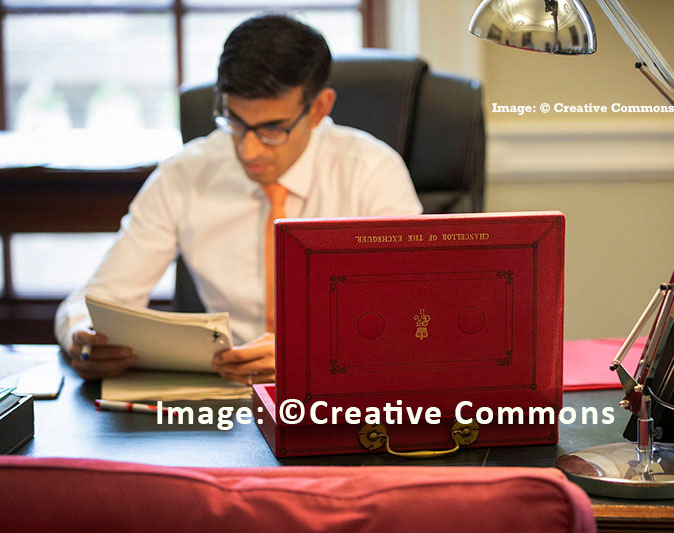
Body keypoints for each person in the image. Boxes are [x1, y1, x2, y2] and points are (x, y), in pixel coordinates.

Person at [55, 14, 422, 384]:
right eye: (235, 122)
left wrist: (310, 353)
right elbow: (95, 300)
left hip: (348, 386)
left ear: (319, 109)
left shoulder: (372, 172)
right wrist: (83, 337)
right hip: (227, 394)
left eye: (273, 129)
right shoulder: (185, 175)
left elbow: (413, 312)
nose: (248, 151)